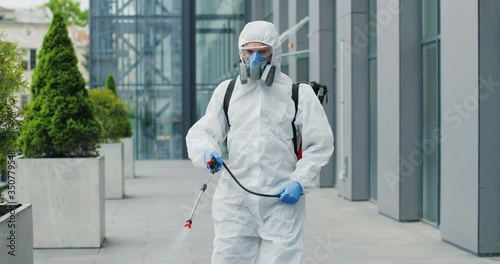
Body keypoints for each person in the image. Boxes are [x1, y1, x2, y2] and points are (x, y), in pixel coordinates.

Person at [186, 21, 334, 263]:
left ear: (274, 52)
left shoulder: (297, 94)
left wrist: (300, 181)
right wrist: (207, 152)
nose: (255, 59)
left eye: (262, 51)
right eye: (249, 51)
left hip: (280, 202)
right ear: (241, 53)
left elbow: (320, 144)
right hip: (235, 202)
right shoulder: (228, 91)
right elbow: (204, 131)